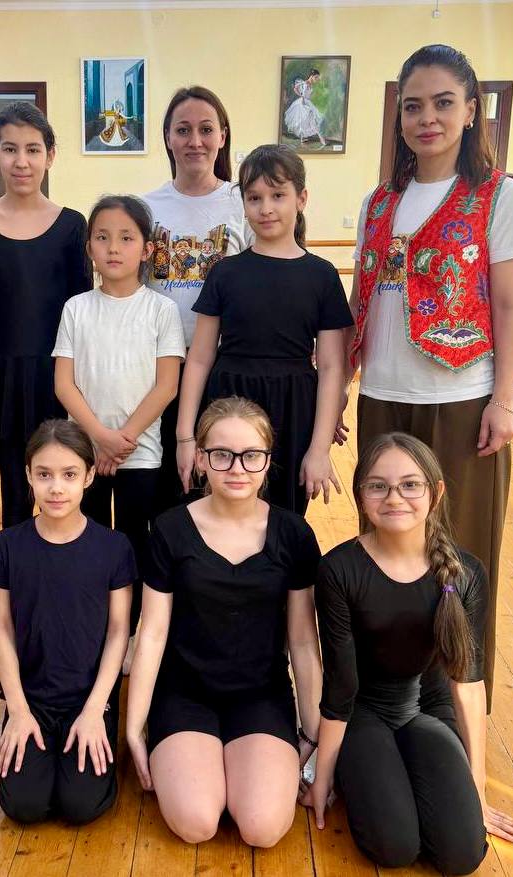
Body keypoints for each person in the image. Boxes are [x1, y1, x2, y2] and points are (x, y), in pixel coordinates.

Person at [341, 44, 513, 709]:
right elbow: (363, 301)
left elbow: (510, 303)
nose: (427, 119)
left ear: (472, 110)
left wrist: (504, 398)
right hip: (382, 396)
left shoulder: (498, 195)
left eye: (443, 103)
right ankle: (383, 697)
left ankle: (457, 707)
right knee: (386, 550)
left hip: (462, 398)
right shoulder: (378, 202)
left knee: (462, 557)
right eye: (413, 106)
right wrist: (340, 388)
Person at [302, 432, 513, 872]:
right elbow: (341, 686)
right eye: (378, 486)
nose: (394, 497)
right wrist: (322, 776)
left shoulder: (465, 572)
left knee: (461, 854)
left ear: (435, 492)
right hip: (363, 712)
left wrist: (477, 790)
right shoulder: (339, 570)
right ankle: (366, 769)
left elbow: (468, 685)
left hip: (427, 710)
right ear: (361, 496)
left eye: (410, 485)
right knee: (394, 847)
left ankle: (410, 771)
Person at [126, 397, 322, 847]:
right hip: (185, 693)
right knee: (196, 823)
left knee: (263, 827)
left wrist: (312, 733)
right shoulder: (170, 529)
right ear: (200, 459)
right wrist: (134, 727)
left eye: (251, 455)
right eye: (221, 454)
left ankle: (241, 766)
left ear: (267, 461)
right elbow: (151, 633)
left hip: (260, 694)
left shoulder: (293, 534)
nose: (237, 468)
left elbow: (302, 641)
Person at [176, 144, 354, 515]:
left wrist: (319, 449)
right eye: (254, 198)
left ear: (301, 199)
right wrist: (185, 436)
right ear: (243, 204)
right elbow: (200, 358)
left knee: (283, 516)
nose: (266, 208)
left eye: (278, 196)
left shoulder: (321, 276)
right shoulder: (225, 272)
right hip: (227, 400)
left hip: (294, 406)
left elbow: (332, 367)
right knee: (222, 509)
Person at [0, 420, 134, 825]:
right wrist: (18, 710)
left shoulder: (114, 548)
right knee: (24, 806)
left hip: (89, 698)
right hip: (32, 699)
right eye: (44, 475)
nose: (56, 488)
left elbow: (119, 631)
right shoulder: (7, 546)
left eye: (69, 475)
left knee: (81, 806)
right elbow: (3, 628)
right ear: (28, 475)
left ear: (89, 476)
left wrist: (96, 709)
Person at [52, 195, 185, 648]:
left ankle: (129, 633)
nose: (113, 248)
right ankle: (90, 628)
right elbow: (64, 385)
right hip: (84, 455)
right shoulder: (76, 308)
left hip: (139, 455)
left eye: (126, 238)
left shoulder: (161, 310)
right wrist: (99, 439)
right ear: (89, 246)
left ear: (147, 249)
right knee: (86, 540)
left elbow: (167, 385)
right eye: (103, 237)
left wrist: (121, 440)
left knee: (133, 543)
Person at [0, 102, 91, 528]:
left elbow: (82, 311)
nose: (22, 161)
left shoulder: (72, 225)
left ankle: (67, 566)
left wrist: (83, 382)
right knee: (15, 493)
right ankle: (17, 569)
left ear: (50, 156)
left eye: (33, 150)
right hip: (2, 378)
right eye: (10, 149)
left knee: (64, 487)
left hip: (59, 376)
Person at [143, 86, 253, 512]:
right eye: (183, 130)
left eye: (206, 129)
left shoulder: (243, 203)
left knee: (221, 488)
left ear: (223, 136)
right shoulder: (146, 207)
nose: (195, 141)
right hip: (160, 368)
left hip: (226, 366)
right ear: (168, 137)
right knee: (167, 491)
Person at [283, 70, 327, 149]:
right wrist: (302, 98)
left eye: (317, 78)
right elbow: (296, 89)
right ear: (311, 76)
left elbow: (304, 93)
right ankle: (320, 139)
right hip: (303, 103)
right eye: (316, 77)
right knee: (304, 120)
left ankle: (304, 139)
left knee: (308, 121)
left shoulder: (310, 84)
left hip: (307, 102)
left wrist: (306, 99)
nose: (316, 79)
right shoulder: (305, 83)